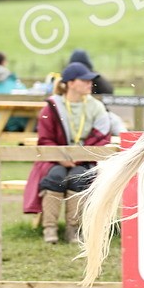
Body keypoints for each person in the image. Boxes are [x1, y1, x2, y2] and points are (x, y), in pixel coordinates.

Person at [22, 62, 115, 244]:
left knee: (79, 178)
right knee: (55, 177)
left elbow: (102, 138)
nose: (90, 83)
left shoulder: (97, 107)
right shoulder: (52, 107)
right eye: (84, 80)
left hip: (86, 159)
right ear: (71, 83)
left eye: (90, 80)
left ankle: (74, 229)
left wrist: (79, 157)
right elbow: (45, 139)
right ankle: (50, 229)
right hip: (54, 160)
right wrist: (62, 157)